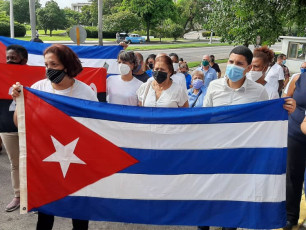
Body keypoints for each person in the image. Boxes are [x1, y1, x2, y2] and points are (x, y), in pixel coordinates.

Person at [200, 45, 295, 230]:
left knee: (232, 203)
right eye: (230, 62)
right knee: (208, 202)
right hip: (214, 153)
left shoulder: (258, 92)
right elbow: (205, 118)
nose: (233, 66)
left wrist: (287, 110)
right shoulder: (213, 86)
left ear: (248, 67)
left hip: (240, 157)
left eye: (239, 63)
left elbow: (266, 124)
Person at [12, 44, 98, 230]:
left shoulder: (85, 93)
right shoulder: (38, 88)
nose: (48, 69)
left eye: (54, 64)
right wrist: (19, 101)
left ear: (66, 66)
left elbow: (96, 127)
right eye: (46, 64)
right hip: (47, 160)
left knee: (79, 212)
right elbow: (20, 124)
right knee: (45, 214)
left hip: (77, 160)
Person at [1, 44, 28, 212]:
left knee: (33, 162)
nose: (10, 61)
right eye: (8, 58)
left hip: (30, 127)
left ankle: (35, 195)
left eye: (14, 58)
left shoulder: (35, 77)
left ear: (24, 60)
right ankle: (18, 195)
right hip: (7, 126)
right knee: (15, 163)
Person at [282, 68, 306, 230]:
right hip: (294, 135)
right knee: (292, 176)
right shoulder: (298, 78)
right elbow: (284, 100)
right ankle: (290, 217)